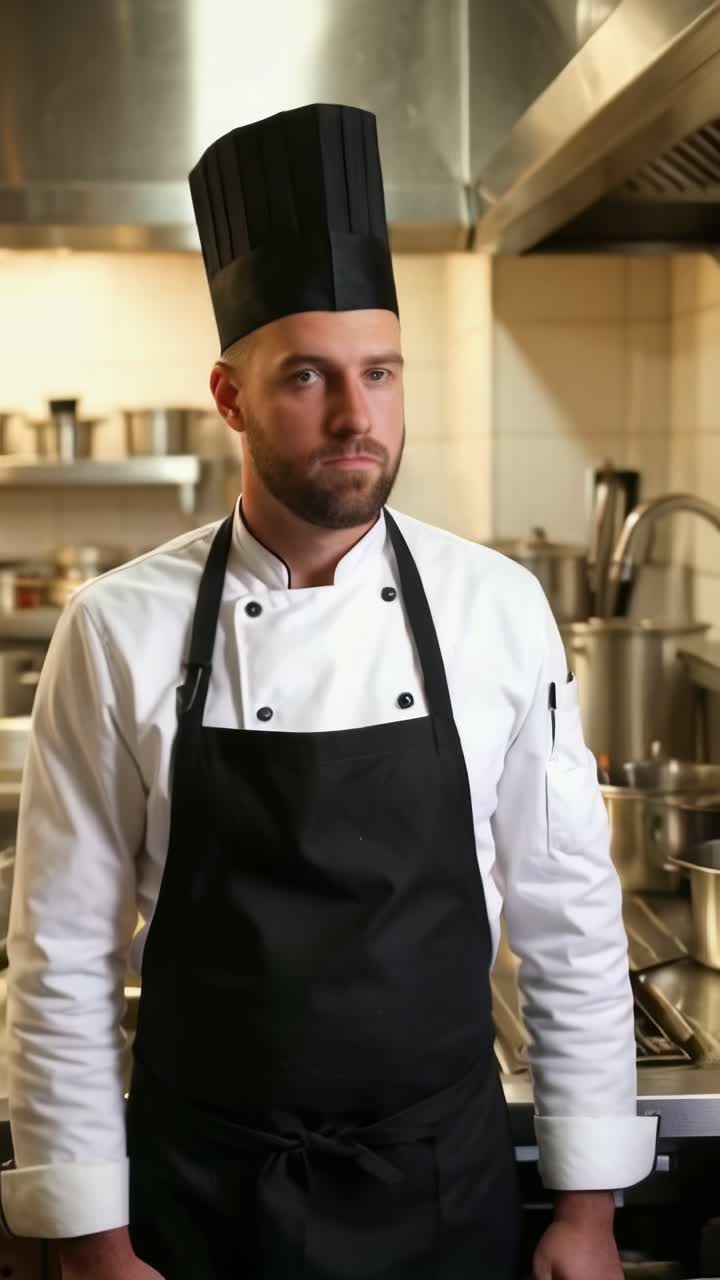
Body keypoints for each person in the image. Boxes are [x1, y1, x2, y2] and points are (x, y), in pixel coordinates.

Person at [1, 104, 656, 1280]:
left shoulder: (496, 609)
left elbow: (568, 918)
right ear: (230, 392)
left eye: (381, 373)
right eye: (308, 375)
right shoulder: (116, 629)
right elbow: (60, 958)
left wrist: (589, 1205)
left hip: (442, 1192)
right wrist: (92, 1240)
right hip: (194, 1204)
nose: (358, 418)